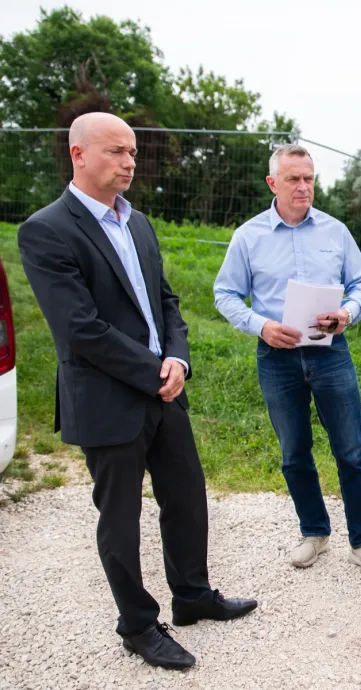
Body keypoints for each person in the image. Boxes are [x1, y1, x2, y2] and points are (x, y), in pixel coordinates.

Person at [16, 112, 256, 671]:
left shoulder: (138, 223)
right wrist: (154, 370)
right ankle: (138, 626)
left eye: (132, 152)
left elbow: (166, 302)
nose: (129, 162)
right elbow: (78, 329)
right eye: (115, 152)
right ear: (78, 154)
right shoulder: (47, 229)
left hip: (164, 389)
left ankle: (193, 595)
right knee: (120, 518)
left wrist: (178, 360)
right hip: (107, 398)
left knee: (187, 496)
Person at [213, 144, 361, 579]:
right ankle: (314, 532)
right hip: (277, 357)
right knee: (294, 454)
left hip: (331, 355)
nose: (303, 186)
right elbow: (225, 294)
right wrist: (261, 326)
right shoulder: (249, 236)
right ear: (273, 183)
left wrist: (348, 313)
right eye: (293, 179)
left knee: (351, 452)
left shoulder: (335, 231)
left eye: (309, 178)